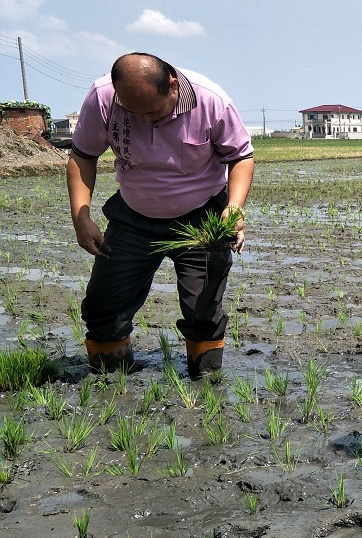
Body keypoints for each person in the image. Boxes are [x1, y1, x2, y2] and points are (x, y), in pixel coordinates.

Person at [67, 52, 254, 379]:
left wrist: (234, 207)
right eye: (133, 111)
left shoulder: (211, 101)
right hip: (132, 217)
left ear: (172, 85)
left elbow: (241, 157)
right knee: (103, 306)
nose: (144, 120)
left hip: (200, 217)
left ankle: (206, 386)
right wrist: (80, 217)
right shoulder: (103, 98)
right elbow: (83, 156)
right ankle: (110, 382)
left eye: (152, 110)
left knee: (203, 310)